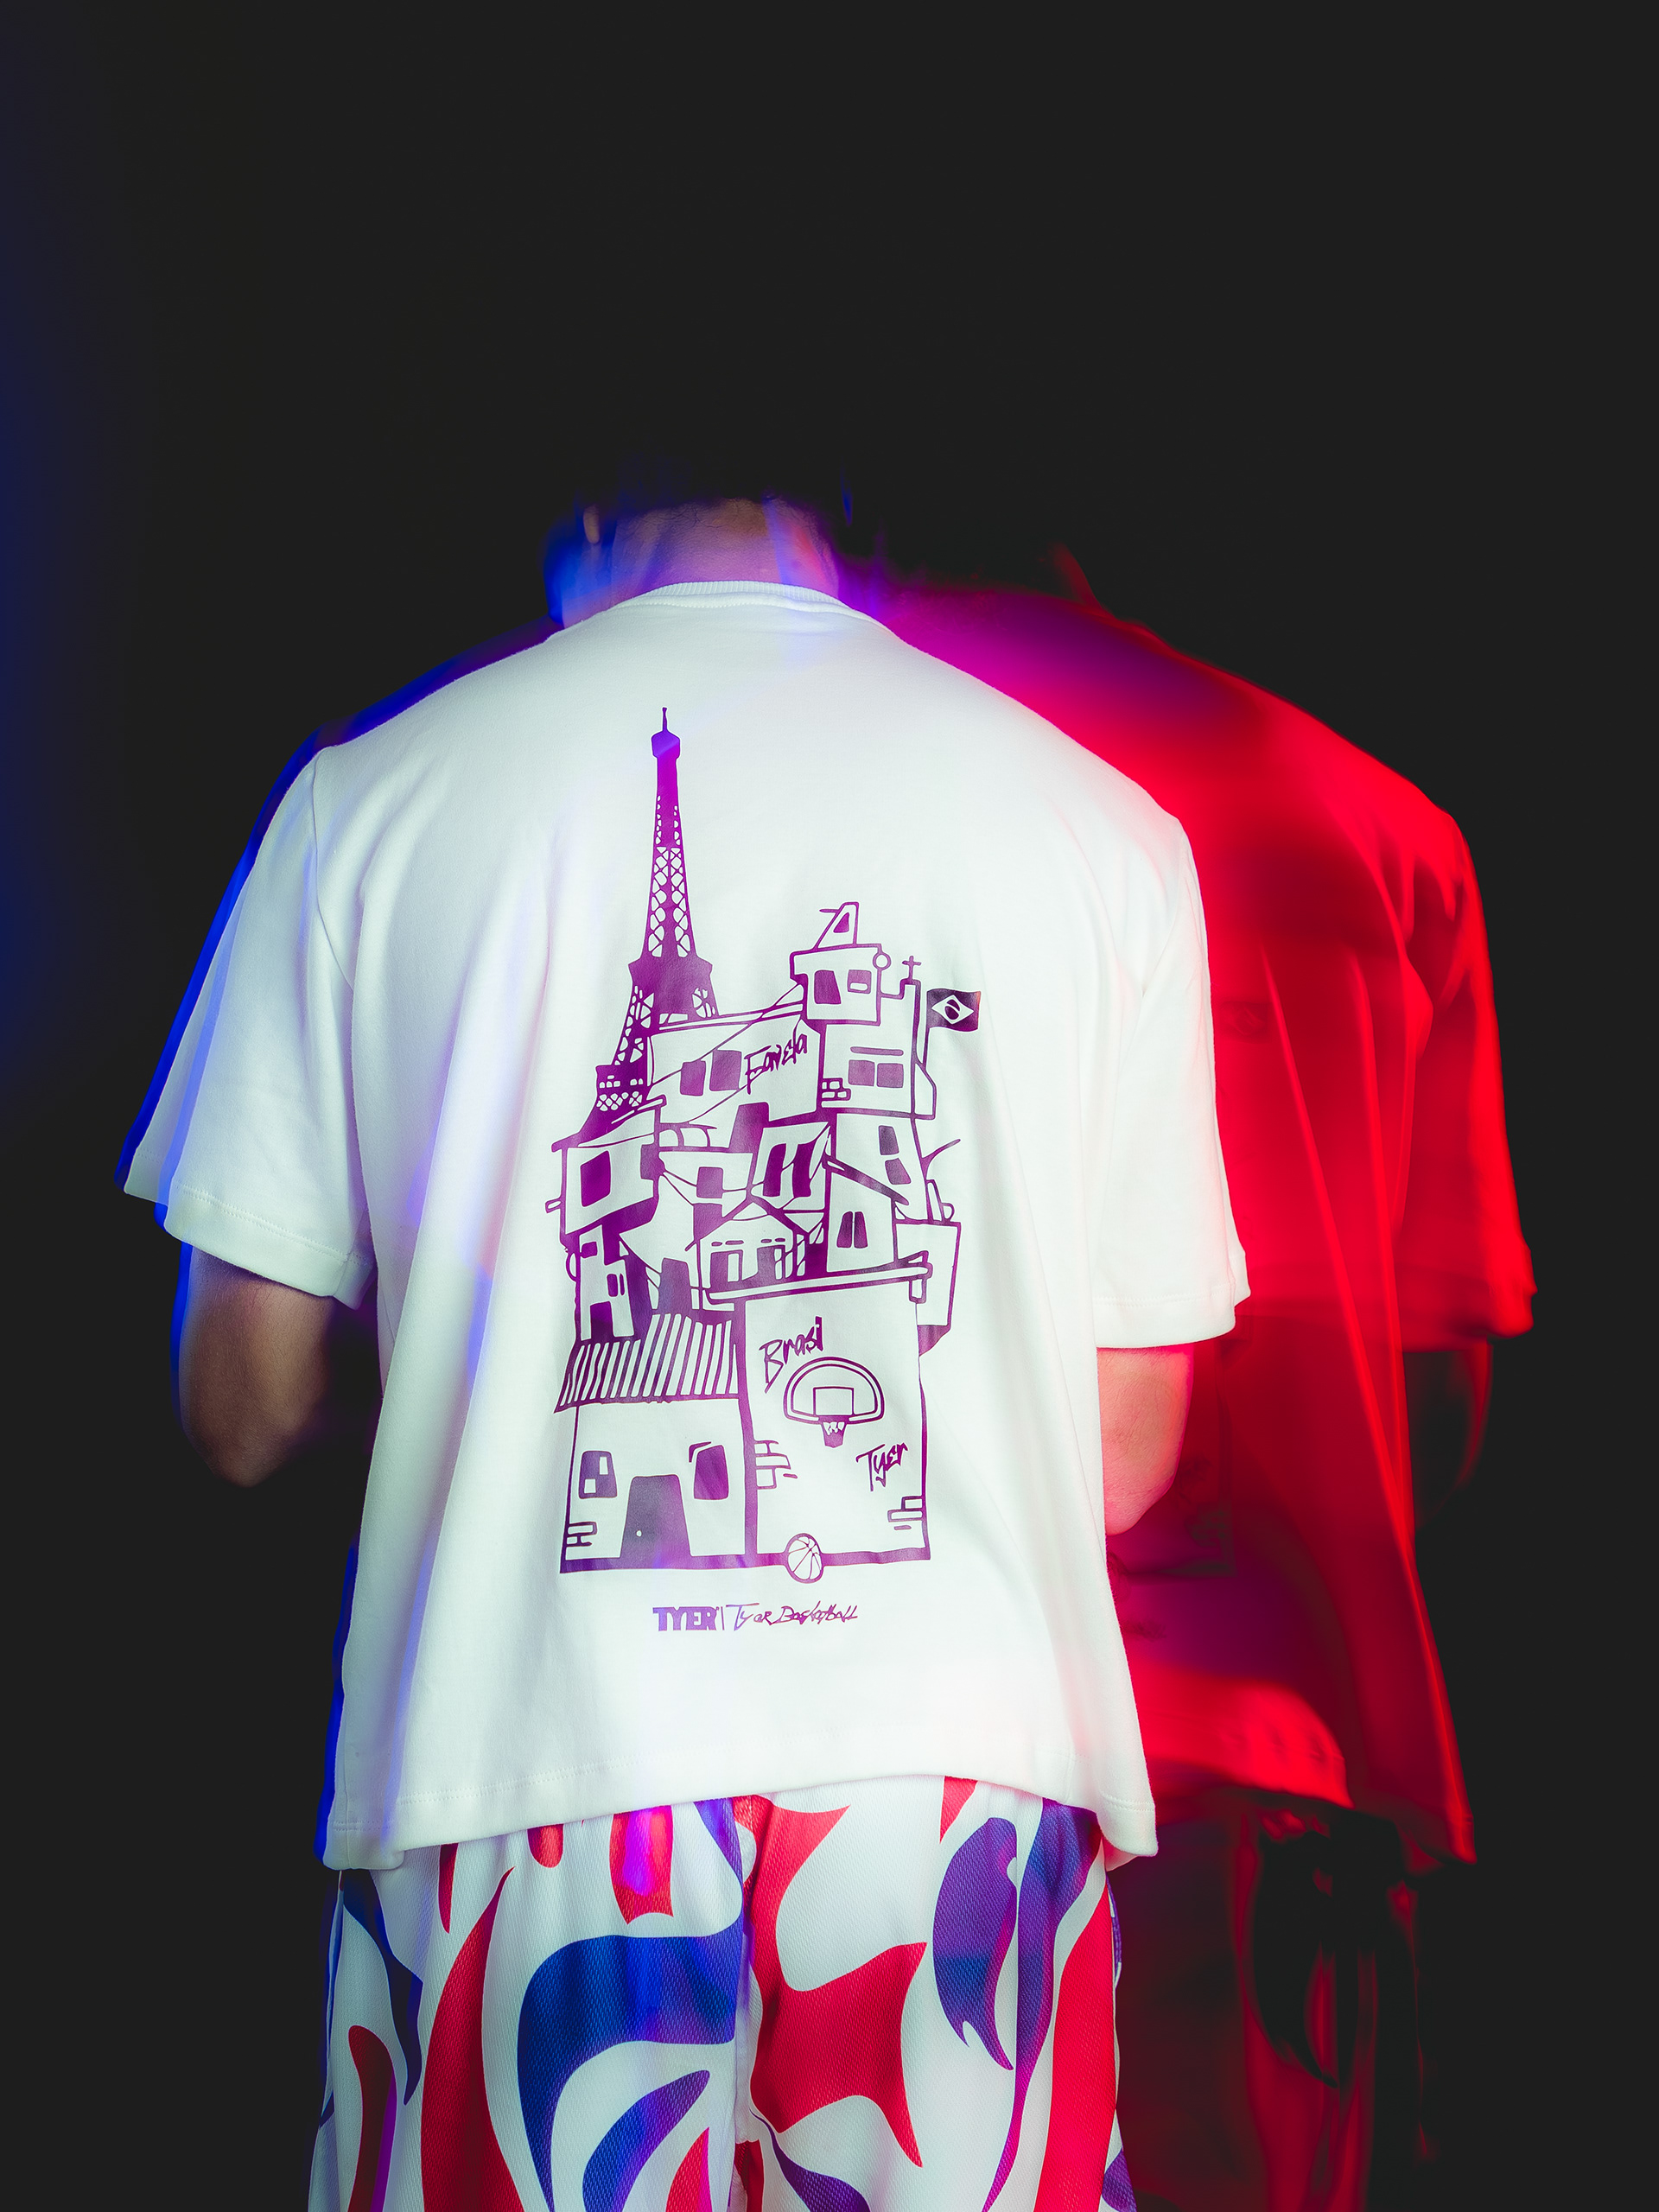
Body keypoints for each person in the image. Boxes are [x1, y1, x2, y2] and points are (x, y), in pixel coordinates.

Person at [122, 462, 1248, 2211]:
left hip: (526, 1768)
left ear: (575, 496)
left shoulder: (372, 800)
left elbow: (240, 1402)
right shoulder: (1101, 828)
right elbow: (1121, 1451)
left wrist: (467, 1371)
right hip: (959, 1782)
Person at [872, 559, 1532, 2210]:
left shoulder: (832, 774)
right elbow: (1434, 1415)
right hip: (1268, 1765)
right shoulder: (1378, 828)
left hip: (890, 1758)